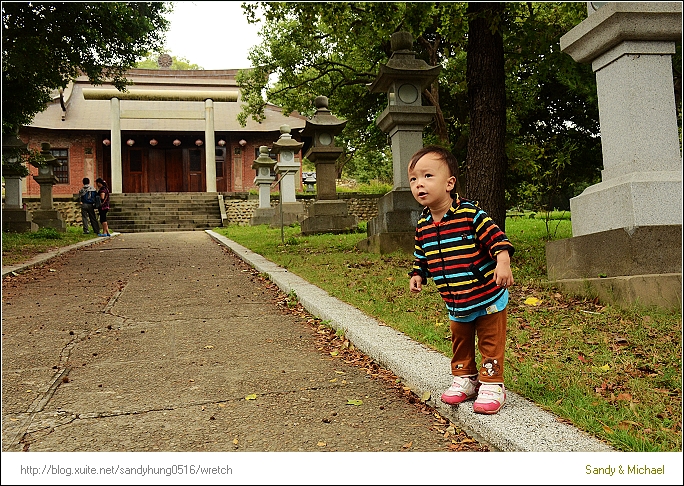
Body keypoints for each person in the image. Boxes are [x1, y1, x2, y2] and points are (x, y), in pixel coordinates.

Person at [407, 145, 514, 415]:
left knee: (490, 340)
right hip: (455, 299)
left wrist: (502, 262)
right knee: (461, 339)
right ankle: (465, 377)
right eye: (413, 179)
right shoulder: (423, 224)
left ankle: (492, 383)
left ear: (449, 183)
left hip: (487, 294)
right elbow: (422, 252)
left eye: (428, 176)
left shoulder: (470, 215)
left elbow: (498, 240)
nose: (419, 184)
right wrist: (418, 272)